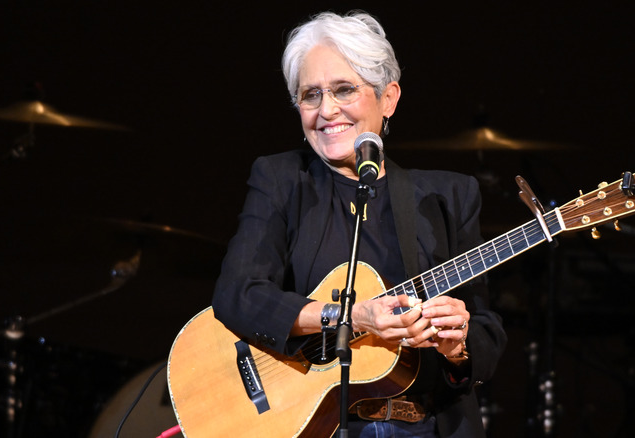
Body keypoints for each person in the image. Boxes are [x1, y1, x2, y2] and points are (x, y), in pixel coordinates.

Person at [212, 10, 507, 438]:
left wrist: (457, 346)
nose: (326, 110)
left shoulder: (446, 197)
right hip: (316, 422)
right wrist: (351, 316)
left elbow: (487, 334)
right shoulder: (280, 180)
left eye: (344, 90)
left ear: (388, 98)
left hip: (422, 422)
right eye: (310, 95)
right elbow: (237, 293)